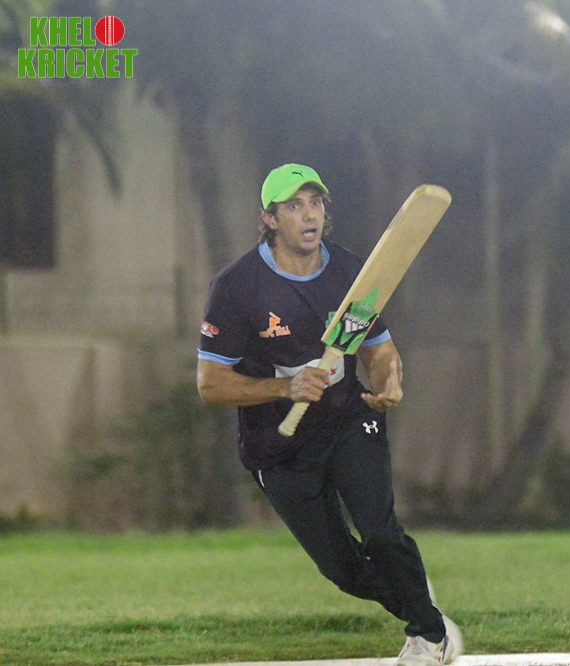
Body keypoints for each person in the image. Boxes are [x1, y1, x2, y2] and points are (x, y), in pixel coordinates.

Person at [196, 164, 462, 665]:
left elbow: (378, 351)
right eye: (294, 206)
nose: (309, 214)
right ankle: (415, 596)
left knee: (379, 531)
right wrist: (285, 386)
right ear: (269, 218)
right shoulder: (237, 286)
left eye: (315, 202)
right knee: (344, 571)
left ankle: (429, 636)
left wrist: (389, 383)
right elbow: (211, 385)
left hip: (347, 419)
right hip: (276, 444)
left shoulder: (350, 273)